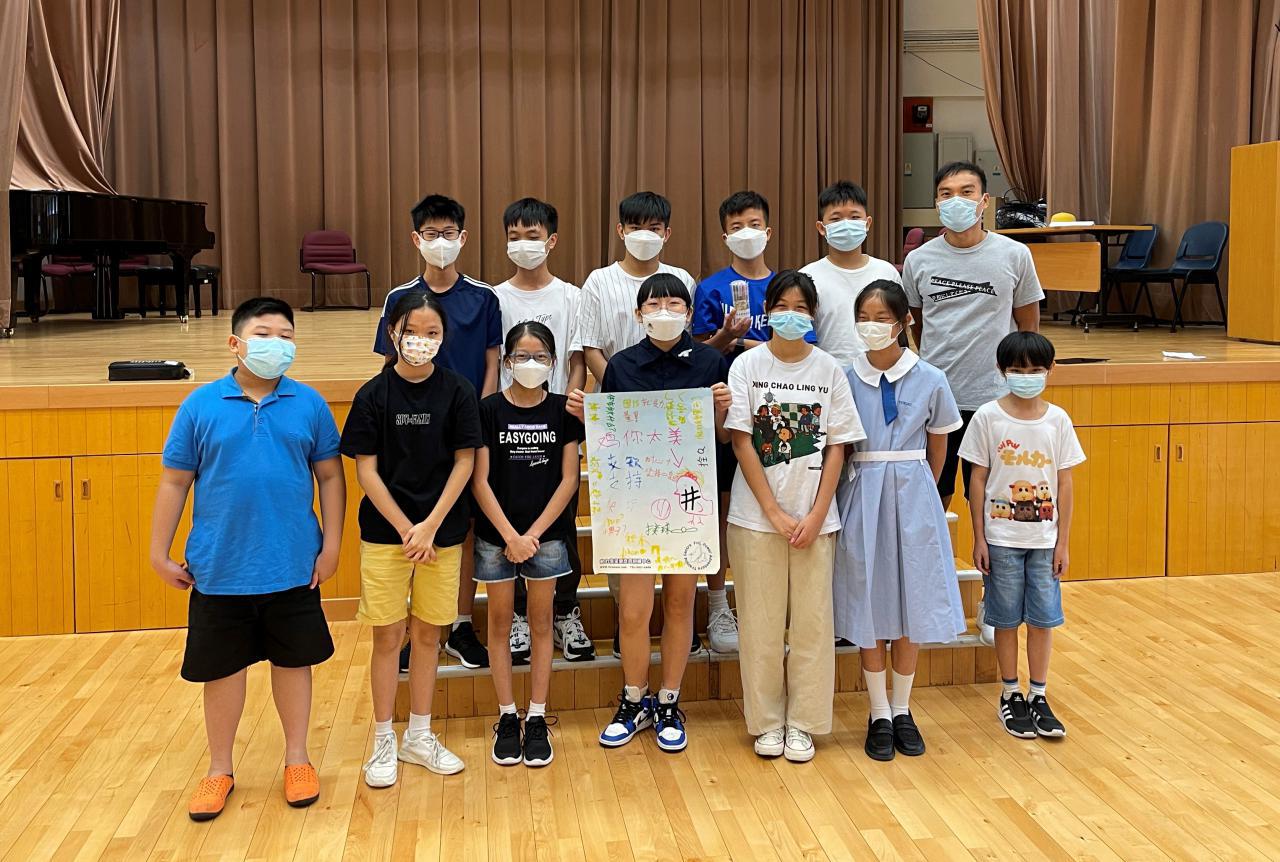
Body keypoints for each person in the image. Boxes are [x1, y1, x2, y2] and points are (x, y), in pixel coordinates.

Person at [151, 297, 345, 821]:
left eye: (286, 335)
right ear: (235, 343)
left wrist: (331, 546)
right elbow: (174, 481)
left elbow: (330, 476)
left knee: (294, 664)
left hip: (292, 565)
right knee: (222, 670)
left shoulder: (309, 404)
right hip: (219, 568)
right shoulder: (200, 405)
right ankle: (219, 768)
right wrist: (158, 552)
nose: (276, 344)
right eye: (264, 334)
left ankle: (297, 760)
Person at [567, 273, 732, 753]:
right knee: (635, 610)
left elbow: (722, 439)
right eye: (654, 304)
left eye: (674, 303)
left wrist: (721, 411)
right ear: (638, 315)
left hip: (689, 505)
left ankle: (669, 701)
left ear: (688, 312)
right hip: (635, 504)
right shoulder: (620, 365)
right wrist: (586, 417)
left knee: (680, 605)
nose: (664, 311)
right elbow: (611, 435)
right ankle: (634, 699)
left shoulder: (711, 362)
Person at [724, 270, 865, 763]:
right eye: (781, 307)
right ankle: (766, 723)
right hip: (754, 519)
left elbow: (838, 446)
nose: (790, 315)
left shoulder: (829, 369)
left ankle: (804, 723)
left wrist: (818, 512)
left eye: (800, 308)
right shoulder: (746, 365)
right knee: (759, 626)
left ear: (814, 315)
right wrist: (773, 511)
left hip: (815, 520)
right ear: (767, 312)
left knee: (812, 625)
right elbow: (742, 440)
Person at [343, 291, 482, 786]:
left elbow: (465, 462)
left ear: (443, 339)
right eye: (412, 332)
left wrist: (429, 527)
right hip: (388, 536)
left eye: (432, 333)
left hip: (441, 535)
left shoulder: (459, 391)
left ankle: (419, 735)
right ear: (393, 334)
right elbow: (366, 470)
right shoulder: (372, 395)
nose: (421, 341)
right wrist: (407, 528)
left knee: (428, 636)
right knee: (387, 637)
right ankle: (384, 737)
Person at [831, 280, 967, 762]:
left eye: (882, 318)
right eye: (864, 318)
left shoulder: (930, 377)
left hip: (913, 494)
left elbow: (939, 447)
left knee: (912, 602)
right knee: (869, 601)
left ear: (904, 321)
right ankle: (878, 712)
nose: (872, 326)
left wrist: (918, 489)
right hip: (861, 490)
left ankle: (904, 708)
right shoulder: (845, 378)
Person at [374, 194, 500, 671]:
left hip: (465, 430)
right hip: (411, 431)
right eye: (431, 234)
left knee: (461, 529)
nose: (440, 242)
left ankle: (460, 624)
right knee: (415, 524)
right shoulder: (398, 298)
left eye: (449, 233)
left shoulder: (483, 297)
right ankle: (416, 628)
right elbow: (389, 365)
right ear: (416, 239)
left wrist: (478, 421)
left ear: (462, 238)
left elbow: (492, 364)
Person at [575, 190, 702, 654]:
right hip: (623, 421)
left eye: (653, 227)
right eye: (635, 227)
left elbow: (691, 346)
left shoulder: (682, 279)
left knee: (680, 519)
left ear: (667, 233)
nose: (644, 235)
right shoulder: (599, 282)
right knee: (625, 523)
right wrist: (623, 388)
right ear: (620, 230)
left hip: (677, 431)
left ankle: (678, 628)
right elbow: (591, 345)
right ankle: (626, 624)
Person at [692, 189, 802, 653]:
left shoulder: (787, 287)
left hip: (780, 410)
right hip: (725, 409)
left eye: (754, 225)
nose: (746, 233)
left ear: (769, 231)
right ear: (724, 236)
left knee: (779, 500)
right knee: (720, 509)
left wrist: (750, 343)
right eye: (736, 227)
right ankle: (719, 604)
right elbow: (697, 353)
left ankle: (775, 609)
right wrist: (726, 337)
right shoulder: (711, 288)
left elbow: (803, 346)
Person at [959, 331, 1083, 740]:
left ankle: (1039, 694)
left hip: (1044, 541)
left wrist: (1063, 541)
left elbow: (1065, 483)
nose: (1026, 377)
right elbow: (977, 480)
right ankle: (1010, 691)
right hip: (1001, 538)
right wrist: (979, 538)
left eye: (1034, 370)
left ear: (1050, 370)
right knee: (1006, 618)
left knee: (1044, 620)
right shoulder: (987, 417)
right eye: (1017, 370)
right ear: (1001, 371)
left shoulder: (1058, 420)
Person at [471, 321, 584, 767]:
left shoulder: (562, 411)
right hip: (496, 537)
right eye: (521, 356)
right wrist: (510, 536)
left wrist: (532, 535)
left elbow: (569, 479)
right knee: (500, 624)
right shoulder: (487, 410)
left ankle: (536, 716)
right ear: (507, 362)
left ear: (553, 363)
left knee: (541, 623)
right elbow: (479, 480)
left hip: (546, 538)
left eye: (540, 357)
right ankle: (506, 715)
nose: (530, 363)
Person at [902, 162, 1044, 509]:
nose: (956, 201)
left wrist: (1020, 384)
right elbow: (917, 324)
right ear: (936, 203)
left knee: (992, 498)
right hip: (937, 398)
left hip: (994, 398)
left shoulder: (1015, 255)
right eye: (946, 194)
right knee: (935, 494)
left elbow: (1028, 327)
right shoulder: (918, 260)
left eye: (966, 192)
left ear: (984, 201)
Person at [491, 197, 594, 664]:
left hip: (556, 424)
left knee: (561, 520)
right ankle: (516, 614)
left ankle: (565, 609)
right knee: (510, 515)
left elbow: (577, 361)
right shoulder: (495, 297)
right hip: (506, 426)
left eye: (532, 236)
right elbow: (493, 360)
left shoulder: (572, 296)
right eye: (514, 236)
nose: (523, 244)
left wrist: (566, 408)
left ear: (551, 241)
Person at [799, 180, 901, 370]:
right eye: (836, 219)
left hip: (880, 373)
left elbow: (900, 328)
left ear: (867, 223)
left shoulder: (887, 272)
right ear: (821, 228)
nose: (846, 224)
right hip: (827, 375)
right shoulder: (807, 277)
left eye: (855, 217)